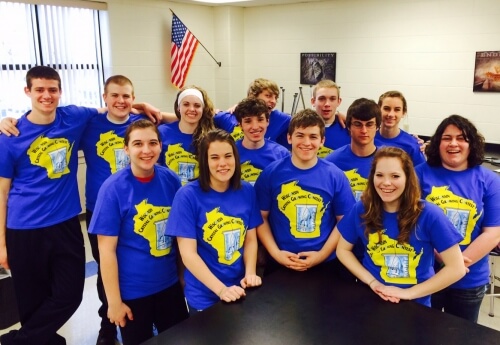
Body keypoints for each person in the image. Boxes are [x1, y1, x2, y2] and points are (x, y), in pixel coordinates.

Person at [0, 66, 99, 345]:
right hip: (24, 229)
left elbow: (112, 111)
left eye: (52, 89)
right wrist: (2, 243)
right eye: (39, 89)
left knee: (69, 294)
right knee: (31, 302)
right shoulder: (10, 136)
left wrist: (150, 108)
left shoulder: (73, 117)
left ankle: (16, 342)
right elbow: (2, 193)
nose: (47, 95)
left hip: (65, 224)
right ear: (27, 91)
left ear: (60, 91)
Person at [88, 120, 188, 345]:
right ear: (126, 149)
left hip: (169, 286)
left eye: (152, 143)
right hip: (133, 293)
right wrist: (113, 303)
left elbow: (180, 236)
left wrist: (182, 277)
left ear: (160, 146)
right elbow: (106, 251)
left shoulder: (171, 180)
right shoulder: (112, 189)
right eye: (138, 144)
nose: (146, 150)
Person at [336, 147, 466, 307]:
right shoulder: (362, 209)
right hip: (371, 298)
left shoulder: (429, 214)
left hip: (415, 305)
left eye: (395, 176)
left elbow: (457, 268)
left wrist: (408, 293)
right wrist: (372, 282)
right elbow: (342, 250)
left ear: (407, 178)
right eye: (379, 175)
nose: (386, 182)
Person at [80, 75, 150, 345]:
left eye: (127, 96)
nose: (121, 101)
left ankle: (145, 316)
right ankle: (108, 325)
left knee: (139, 263)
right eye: (115, 96)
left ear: (133, 99)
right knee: (106, 269)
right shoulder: (89, 124)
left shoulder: (142, 125)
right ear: (104, 98)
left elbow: (180, 121)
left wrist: (150, 109)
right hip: (100, 212)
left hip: (139, 211)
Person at [166, 129, 263, 313]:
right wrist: (221, 289)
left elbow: (250, 239)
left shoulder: (247, 191)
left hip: (240, 288)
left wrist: (250, 272)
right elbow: (188, 254)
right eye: (214, 157)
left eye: (228, 156)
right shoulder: (187, 196)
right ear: (204, 161)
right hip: (205, 295)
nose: (223, 163)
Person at [415, 115, 500, 322]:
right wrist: (445, 258)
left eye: (461, 138)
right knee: (421, 334)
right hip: (426, 274)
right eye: (447, 138)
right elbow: (410, 221)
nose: (454, 143)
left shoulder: (489, 180)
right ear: (437, 143)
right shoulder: (418, 175)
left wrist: (457, 266)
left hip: (468, 279)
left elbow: (492, 233)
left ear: (472, 143)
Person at [254, 109, 355, 276]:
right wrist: (276, 253)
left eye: (313, 137)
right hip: (280, 262)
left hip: (325, 264)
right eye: (300, 135)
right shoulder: (271, 174)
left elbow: (343, 221)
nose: (306, 142)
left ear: (322, 140)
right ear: (289, 138)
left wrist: (321, 255)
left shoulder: (335, 176)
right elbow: (261, 217)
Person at [325, 98, 381, 202]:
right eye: (358, 124)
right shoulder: (331, 162)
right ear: (349, 126)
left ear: (377, 126)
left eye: (369, 124)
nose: (364, 130)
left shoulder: (388, 160)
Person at [158, 85, 214, 185]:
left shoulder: (210, 136)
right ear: (178, 107)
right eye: (186, 104)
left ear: (203, 109)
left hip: (198, 195)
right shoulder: (162, 132)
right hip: (170, 193)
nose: (192, 109)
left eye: (197, 105)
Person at [214, 78, 291, 148]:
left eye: (276, 97)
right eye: (268, 96)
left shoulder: (280, 119)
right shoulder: (229, 117)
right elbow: (207, 114)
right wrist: (213, 111)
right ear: (253, 96)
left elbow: (300, 122)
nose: (273, 101)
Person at [233, 97, 290, 185]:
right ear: (240, 125)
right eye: (248, 121)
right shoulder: (231, 153)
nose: (255, 127)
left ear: (267, 121)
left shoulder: (282, 155)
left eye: (260, 120)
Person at [375, 90, 425, 165]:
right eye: (386, 108)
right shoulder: (367, 138)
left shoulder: (412, 145)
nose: (391, 114)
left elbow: (421, 174)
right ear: (378, 110)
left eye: (397, 110)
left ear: (403, 113)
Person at [310, 80, 350, 158]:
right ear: (313, 101)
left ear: (339, 101)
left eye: (332, 99)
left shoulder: (349, 128)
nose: (327, 104)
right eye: (322, 99)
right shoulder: (301, 129)